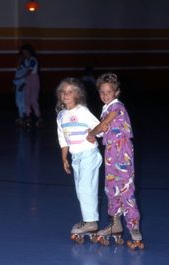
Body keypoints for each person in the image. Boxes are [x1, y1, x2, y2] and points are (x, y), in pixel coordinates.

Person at [86, 73, 144, 249]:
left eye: (109, 91)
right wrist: (93, 133)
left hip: (123, 151)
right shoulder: (106, 108)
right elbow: (104, 130)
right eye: (102, 92)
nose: (105, 95)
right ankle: (115, 224)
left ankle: (134, 228)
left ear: (117, 92)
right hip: (111, 151)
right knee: (111, 187)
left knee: (126, 189)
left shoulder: (117, 106)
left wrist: (91, 133)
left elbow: (104, 125)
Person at [56, 77, 103, 243]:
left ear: (78, 95)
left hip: (89, 153)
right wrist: (64, 157)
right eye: (63, 92)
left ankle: (90, 222)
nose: (66, 94)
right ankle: (88, 219)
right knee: (80, 189)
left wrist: (93, 133)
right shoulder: (61, 115)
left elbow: (101, 127)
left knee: (85, 187)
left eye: (70, 92)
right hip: (76, 156)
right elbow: (62, 138)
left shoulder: (82, 111)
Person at [20, 44, 44, 127]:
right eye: (23, 52)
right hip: (27, 79)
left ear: (29, 52)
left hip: (33, 79)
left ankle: (38, 116)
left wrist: (20, 78)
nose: (24, 53)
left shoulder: (33, 60)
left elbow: (29, 71)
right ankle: (28, 116)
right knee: (26, 98)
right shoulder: (26, 60)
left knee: (33, 99)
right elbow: (20, 68)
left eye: (25, 52)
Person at [13, 52, 28, 126]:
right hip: (18, 86)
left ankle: (24, 118)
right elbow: (16, 77)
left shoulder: (25, 67)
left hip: (22, 87)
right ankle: (22, 117)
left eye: (20, 58)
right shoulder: (19, 67)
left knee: (22, 103)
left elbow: (27, 77)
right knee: (18, 102)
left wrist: (23, 85)